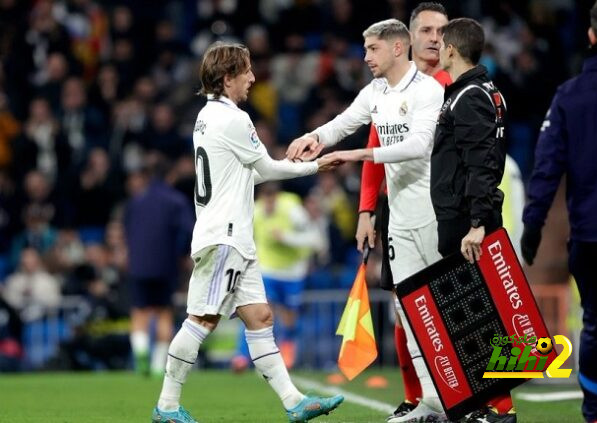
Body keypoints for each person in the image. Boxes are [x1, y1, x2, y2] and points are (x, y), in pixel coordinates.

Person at [151, 42, 343, 423]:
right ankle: (167, 406)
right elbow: (268, 170)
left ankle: (293, 402)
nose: (253, 78)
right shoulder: (234, 119)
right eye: (247, 72)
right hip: (225, 235)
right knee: (202, 319)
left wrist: (288, 164)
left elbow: (246, 174)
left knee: (260, 316)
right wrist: (313, 167)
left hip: (233, 237)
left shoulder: (206, 117)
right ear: (228, 79)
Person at [287, 19, 447, 422]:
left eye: (372, 49)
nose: (366, 56)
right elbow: (344, 122)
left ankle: (468, 395)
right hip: (400, 219)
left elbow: (419, 145)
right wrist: (314, 138)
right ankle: (430, 401)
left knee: (442, 307)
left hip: (434, 215)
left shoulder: (428, 90)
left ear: (397, 48)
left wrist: (358, 156)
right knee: (409, 311)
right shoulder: (376, 91)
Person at [520, 1, 597, 422]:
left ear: (591, 37)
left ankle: (594, 414)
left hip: (589, 233)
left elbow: (547, 165)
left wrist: (533, 225)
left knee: (595, 325)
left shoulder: (570, 96)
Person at [354, 2, 451, 420]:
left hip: (445, 210)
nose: (435, 38)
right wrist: (365, 211)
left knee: (452, 303)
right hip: (400, 211)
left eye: (442, 31)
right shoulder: (386, 92)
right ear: (407, 39)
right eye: (427, 29)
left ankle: (484, 398)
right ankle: (416, 398)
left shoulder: (453, 84)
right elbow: (378, 150)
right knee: (404, 305)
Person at [430, 18, 513, 423]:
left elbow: (481, 164)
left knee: (473, 315)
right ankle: (492, 406)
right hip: (467, 217)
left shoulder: (469, 97)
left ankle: (489, 408)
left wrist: (477, 222)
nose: (437, 47)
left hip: (466, 222)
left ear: (452, 50)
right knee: (479, 313)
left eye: (441, 42)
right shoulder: (482, 92)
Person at [231, 182, 326, 371]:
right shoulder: (255, 212)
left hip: (292, 272)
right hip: (267, 271)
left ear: (277, 197)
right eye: (265, 201)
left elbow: (314, 239)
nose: (268, 206)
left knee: (289, 316)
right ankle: (243, 356)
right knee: (258, 311)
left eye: (272, 201)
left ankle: (286, 353)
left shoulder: (292, 209)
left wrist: (286, 238)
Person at [124, 159, 193, 377]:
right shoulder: (177, 201)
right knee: (164, 312)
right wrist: (181, 254)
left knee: (139, 311)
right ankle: (156, 365)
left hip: (139, 264)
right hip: (166, 264)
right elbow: (188, 231)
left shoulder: (136, 201)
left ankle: (141, 355)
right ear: (170, 176)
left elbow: (127, 230)